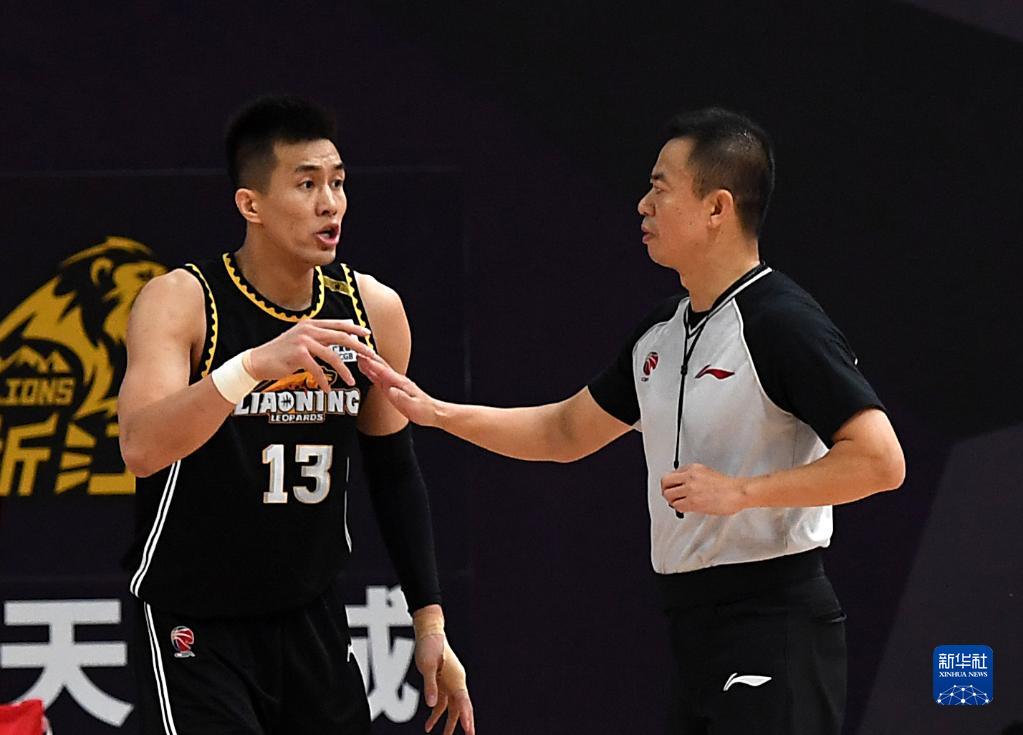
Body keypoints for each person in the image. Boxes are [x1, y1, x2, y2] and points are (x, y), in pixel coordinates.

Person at [359, 107, 905, 734]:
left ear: (717, 207)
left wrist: (742, 493)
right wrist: (436, 413)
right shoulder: (660, 333)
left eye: (660, 187)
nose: (643, 205)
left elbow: (880, 461)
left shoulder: (783, 323)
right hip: (692, 625)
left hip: (774, 619)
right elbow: (564, 433)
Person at [118, 96, 474, 735]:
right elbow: (141, 448)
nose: (330, 203)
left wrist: (430, 622)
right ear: (250, 204)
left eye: (337, 182)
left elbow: (394, 472)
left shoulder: (372, 310)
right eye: (307, 184)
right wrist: (251, 367)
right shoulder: (183, 300)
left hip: (311, 617)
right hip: (196, 621)